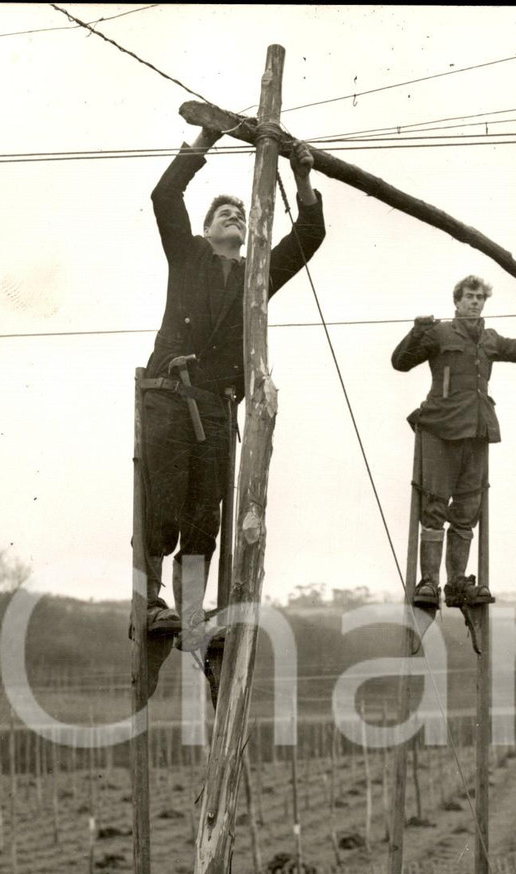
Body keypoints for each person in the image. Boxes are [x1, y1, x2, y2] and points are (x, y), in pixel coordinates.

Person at [141, 125, 326, 666]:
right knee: (164, 506)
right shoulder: (188, 255)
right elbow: (164, 195)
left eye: (242, 215)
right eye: (225, 214)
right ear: (205, 228)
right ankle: (151, 604)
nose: (235, 218)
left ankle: (192, 619)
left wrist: (302, 175)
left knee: (205, 517)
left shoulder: (255, 276)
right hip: (170, 395)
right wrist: (206, 136)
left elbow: (308, 237)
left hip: (220, 406)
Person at [391, 275, 516, 611]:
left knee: (467, 510)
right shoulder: (439, 333)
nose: (475, 302)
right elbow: (400, 362)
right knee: (433, 506)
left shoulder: (490, 339)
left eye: (480, 298)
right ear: (456, 301)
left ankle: (456, 582)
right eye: (469, 297)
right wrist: (416, 330)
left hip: (476, 431)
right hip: (440, 428)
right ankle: (428, 581)